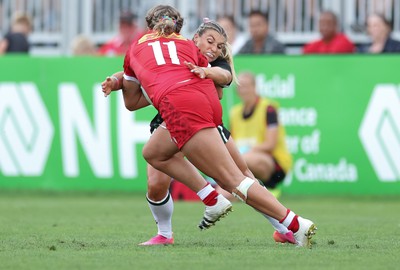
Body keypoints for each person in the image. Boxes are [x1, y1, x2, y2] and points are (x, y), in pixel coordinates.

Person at [121, 5, 317, 248]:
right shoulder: (182, 48)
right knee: (155, 171)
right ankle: (169, 230)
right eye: (210, 42)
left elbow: (224, 77)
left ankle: (290, 225)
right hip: (175, 115)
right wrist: (118, 80)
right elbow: (143, 77)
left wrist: (206, 71)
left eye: (219, 46)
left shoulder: (201, 56)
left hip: (193, 115)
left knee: (238, 178)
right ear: (195, 37)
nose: (214, 48)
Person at [228, 72, 293, 198]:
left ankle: (268, 187)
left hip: (273, 164)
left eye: (246, 86)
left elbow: (270, 144)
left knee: (240, 161)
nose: (243, 90)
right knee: (229, 171)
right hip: (243, 161)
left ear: (254, 87)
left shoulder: (268, 108)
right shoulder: (234, 112)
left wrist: (246, 151)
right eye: (240, 87)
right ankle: (218, 198)